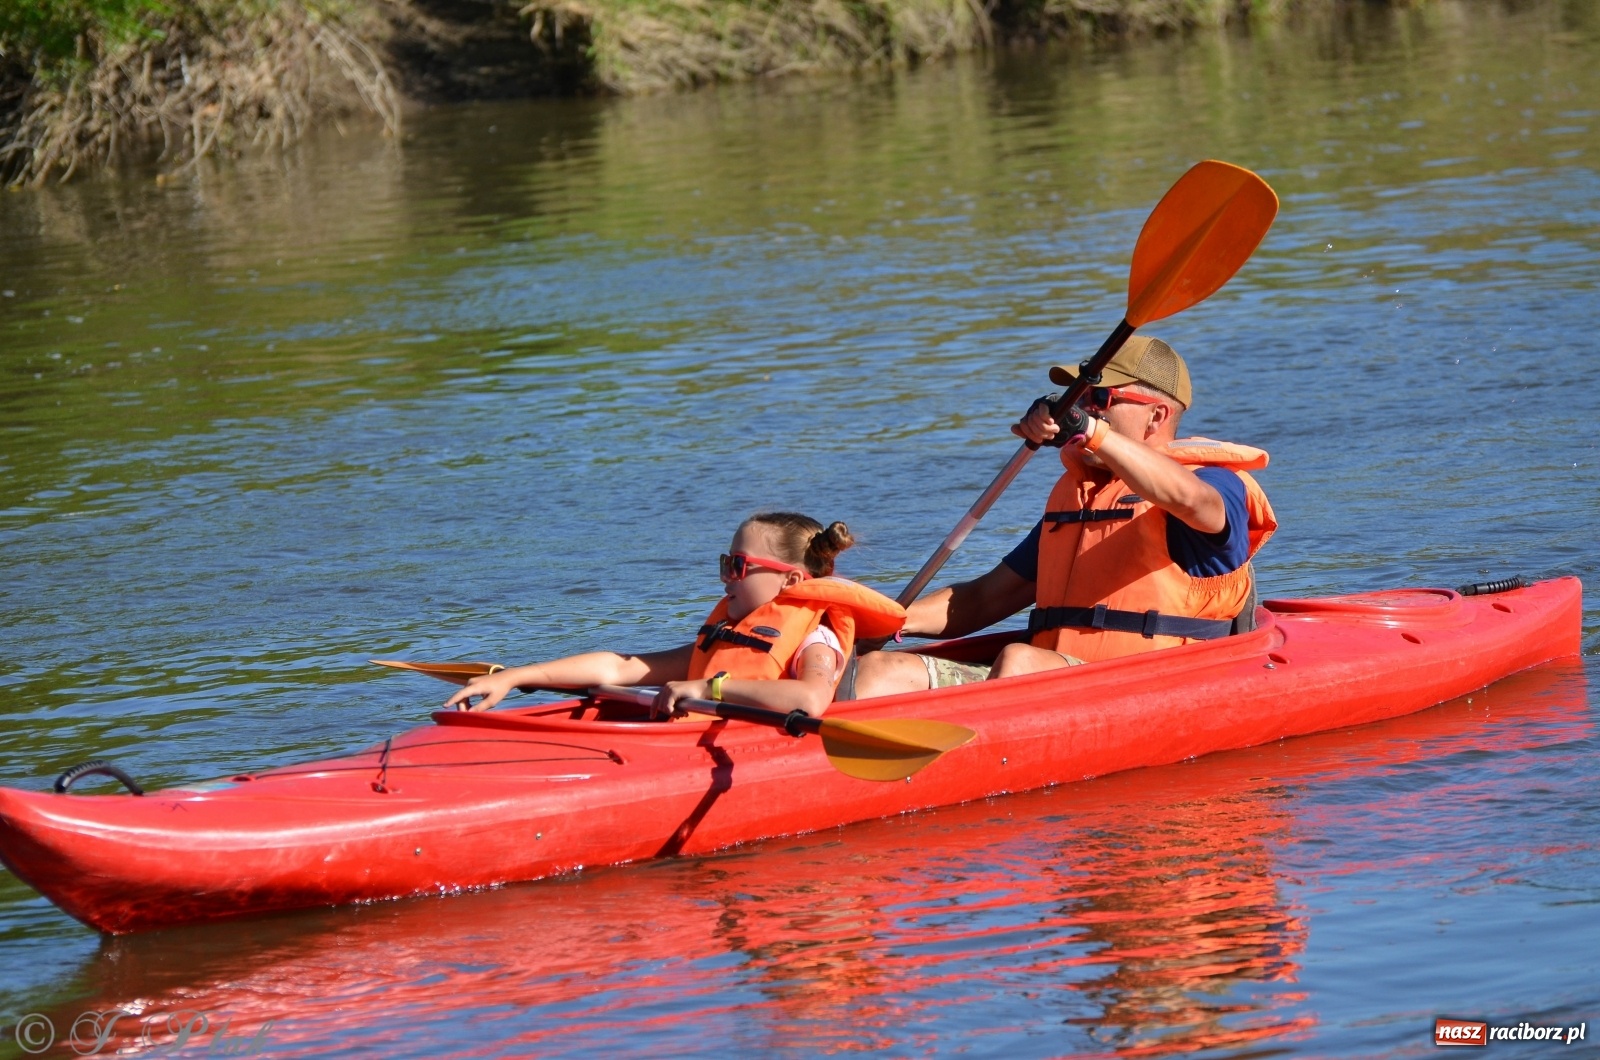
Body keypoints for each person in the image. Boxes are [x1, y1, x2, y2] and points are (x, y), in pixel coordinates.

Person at [855, 336, 1276, 696]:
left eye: (1100, 399)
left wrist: (1091, 431)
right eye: (1079, 398)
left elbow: (1191, 499)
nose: (1086, 409)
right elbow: (984, 599)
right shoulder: (1082, 501)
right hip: (1049, 680)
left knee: (1019, 660)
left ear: (1157, 416)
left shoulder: (1217, 485)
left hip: (1151, 685)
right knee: (877, 671)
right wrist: (890, 621)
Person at [446, 512, 905, 719]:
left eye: (739, 566)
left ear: (791, 582)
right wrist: (519, 676)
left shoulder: (814, 640)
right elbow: (621, 667)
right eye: (725, 562)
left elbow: (811, 700)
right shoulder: (726, 639)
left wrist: (708, 688)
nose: (725, 576)